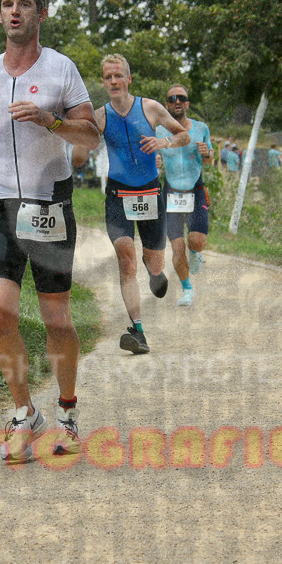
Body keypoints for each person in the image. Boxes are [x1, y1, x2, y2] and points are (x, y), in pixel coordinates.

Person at [0, 0, 99, 463]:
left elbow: (92, 136)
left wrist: (50, 120)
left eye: (24, 5)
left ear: (41, 13)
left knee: (56, 317)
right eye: (6, 5)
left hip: (48, 205)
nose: (14, 12)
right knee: (0, 313)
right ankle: (24, 414)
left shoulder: (62, 70)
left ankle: (68, 415)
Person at [86, 54, 189, 354]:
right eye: (108, 77)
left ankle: (155, 271)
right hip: (118, 194)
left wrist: (164, 143)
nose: (114, 81)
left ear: (129, 79)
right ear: (104, 83)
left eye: (118, 76)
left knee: (153, 262)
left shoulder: (151, 108)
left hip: (149, 192)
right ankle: (138, 330)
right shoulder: (99, 116)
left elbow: (183, 135)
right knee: (126, 258)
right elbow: (81, 143)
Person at [156, 84, 212, 307]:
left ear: (187, 103)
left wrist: (207, 153)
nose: (177, 101)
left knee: (196, 241)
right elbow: (153, 160)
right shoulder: (159, 130)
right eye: (172, 99)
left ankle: (196, 252)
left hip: (196, 191)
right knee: (177, 248)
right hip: (171, 194)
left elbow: (209, 159)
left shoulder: (200, 128)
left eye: (182, 98)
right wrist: (156, 163)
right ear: (167, 104)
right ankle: (187, 289)